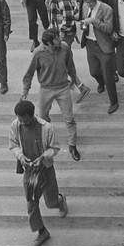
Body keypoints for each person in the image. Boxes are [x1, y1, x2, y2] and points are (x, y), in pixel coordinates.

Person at [9, 100, 68, 246]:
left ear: (32, 115)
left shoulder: (46, 128)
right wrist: (21, 157)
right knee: (31, 204)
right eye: (20, 120)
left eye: (25, 120)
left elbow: (54, 148)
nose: (22, 123)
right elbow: (13, 145)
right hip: (29, 171)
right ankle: (42, 232)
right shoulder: (16, 125)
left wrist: (42, 157)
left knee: (51, 202)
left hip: (45, 169)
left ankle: (60, 200)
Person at [21, 28, 81, 162]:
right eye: (57, 38)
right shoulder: (38, 53)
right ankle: (44, 144)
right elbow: (29, 73)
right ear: (48, 43)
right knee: (42, 119)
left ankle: (73, 146)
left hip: (63, 88)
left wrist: (75, 81)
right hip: (46, 89)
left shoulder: (64, 48)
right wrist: (25, 91)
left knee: (69, 118)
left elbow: (71, 66)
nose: (60, 39)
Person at [44, 0, 90, 104]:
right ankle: (79, 87)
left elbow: (68, 17)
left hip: (62, 35)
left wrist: (60, 33)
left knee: (61, 62)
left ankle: (79, 87)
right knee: (64, 62)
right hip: (57, 34)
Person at [80, 0, 118, 114]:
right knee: (94, 71)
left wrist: (93, 21)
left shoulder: (106, 9)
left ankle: (114, 102)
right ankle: (101, 82)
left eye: (90, 2)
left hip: (103, 45)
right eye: (86, 2)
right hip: (90, 44)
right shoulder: (85, 6)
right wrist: (83, 25)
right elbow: (84, 20)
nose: (88, 5)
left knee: (108, 76)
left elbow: (108, 28)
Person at [0, 0, 11, 94]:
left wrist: (6, 33)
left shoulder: (0, 0)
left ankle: (3, 82)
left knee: (1, 58)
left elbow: (6, 17)